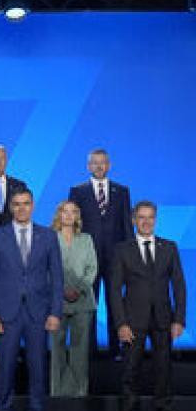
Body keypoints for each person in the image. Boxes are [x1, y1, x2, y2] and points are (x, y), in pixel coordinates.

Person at [0, 190, 63, 411]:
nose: (21, 208)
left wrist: (55, 312)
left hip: (38, 313)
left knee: (37, 368)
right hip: (7, 313)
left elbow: (57, 278)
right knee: (5, 368)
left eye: (26, 204)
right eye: (16, 204)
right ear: (10, 207)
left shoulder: (48, 236)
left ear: (33, 206)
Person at [109, 202, 186, 411]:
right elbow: (114, 290)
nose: (146, 222)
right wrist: (121, 323)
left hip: (163, 320)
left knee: (164, 373)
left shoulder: (169, 247)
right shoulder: (122, 249)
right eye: (141, 217)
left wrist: (179, 319)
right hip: (133, 321)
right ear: (134, 220)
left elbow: (179, 286)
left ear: (155, 220)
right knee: (131, 373)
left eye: (150, 217)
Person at [68, 148, 132, 359]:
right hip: (88, 259)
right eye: (94, 162)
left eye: (102, 162)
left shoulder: (121, 191)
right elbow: (72, 226)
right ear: (89, 166)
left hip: (115, 259)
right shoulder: (78, 191)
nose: (98, 166)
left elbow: (127, 226)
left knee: (116, 304)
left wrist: (130, 258)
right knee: (88, 304)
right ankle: (88, 350)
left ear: (109, 165)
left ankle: (117, 348)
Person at [50, 201, 97, 399]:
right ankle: (57, 392)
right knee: (57, 349)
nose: (69, 215)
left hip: (83, 301)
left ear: (77, 216)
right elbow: (44, 268)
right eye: (65, 211)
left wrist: (78, 289)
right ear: (59, 215)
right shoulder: (49, 238)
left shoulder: (86, 239)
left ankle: (79, 392)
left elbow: (92, 268)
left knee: (80, 349)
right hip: (56, 302)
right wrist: (61, 290)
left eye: (73, 212)